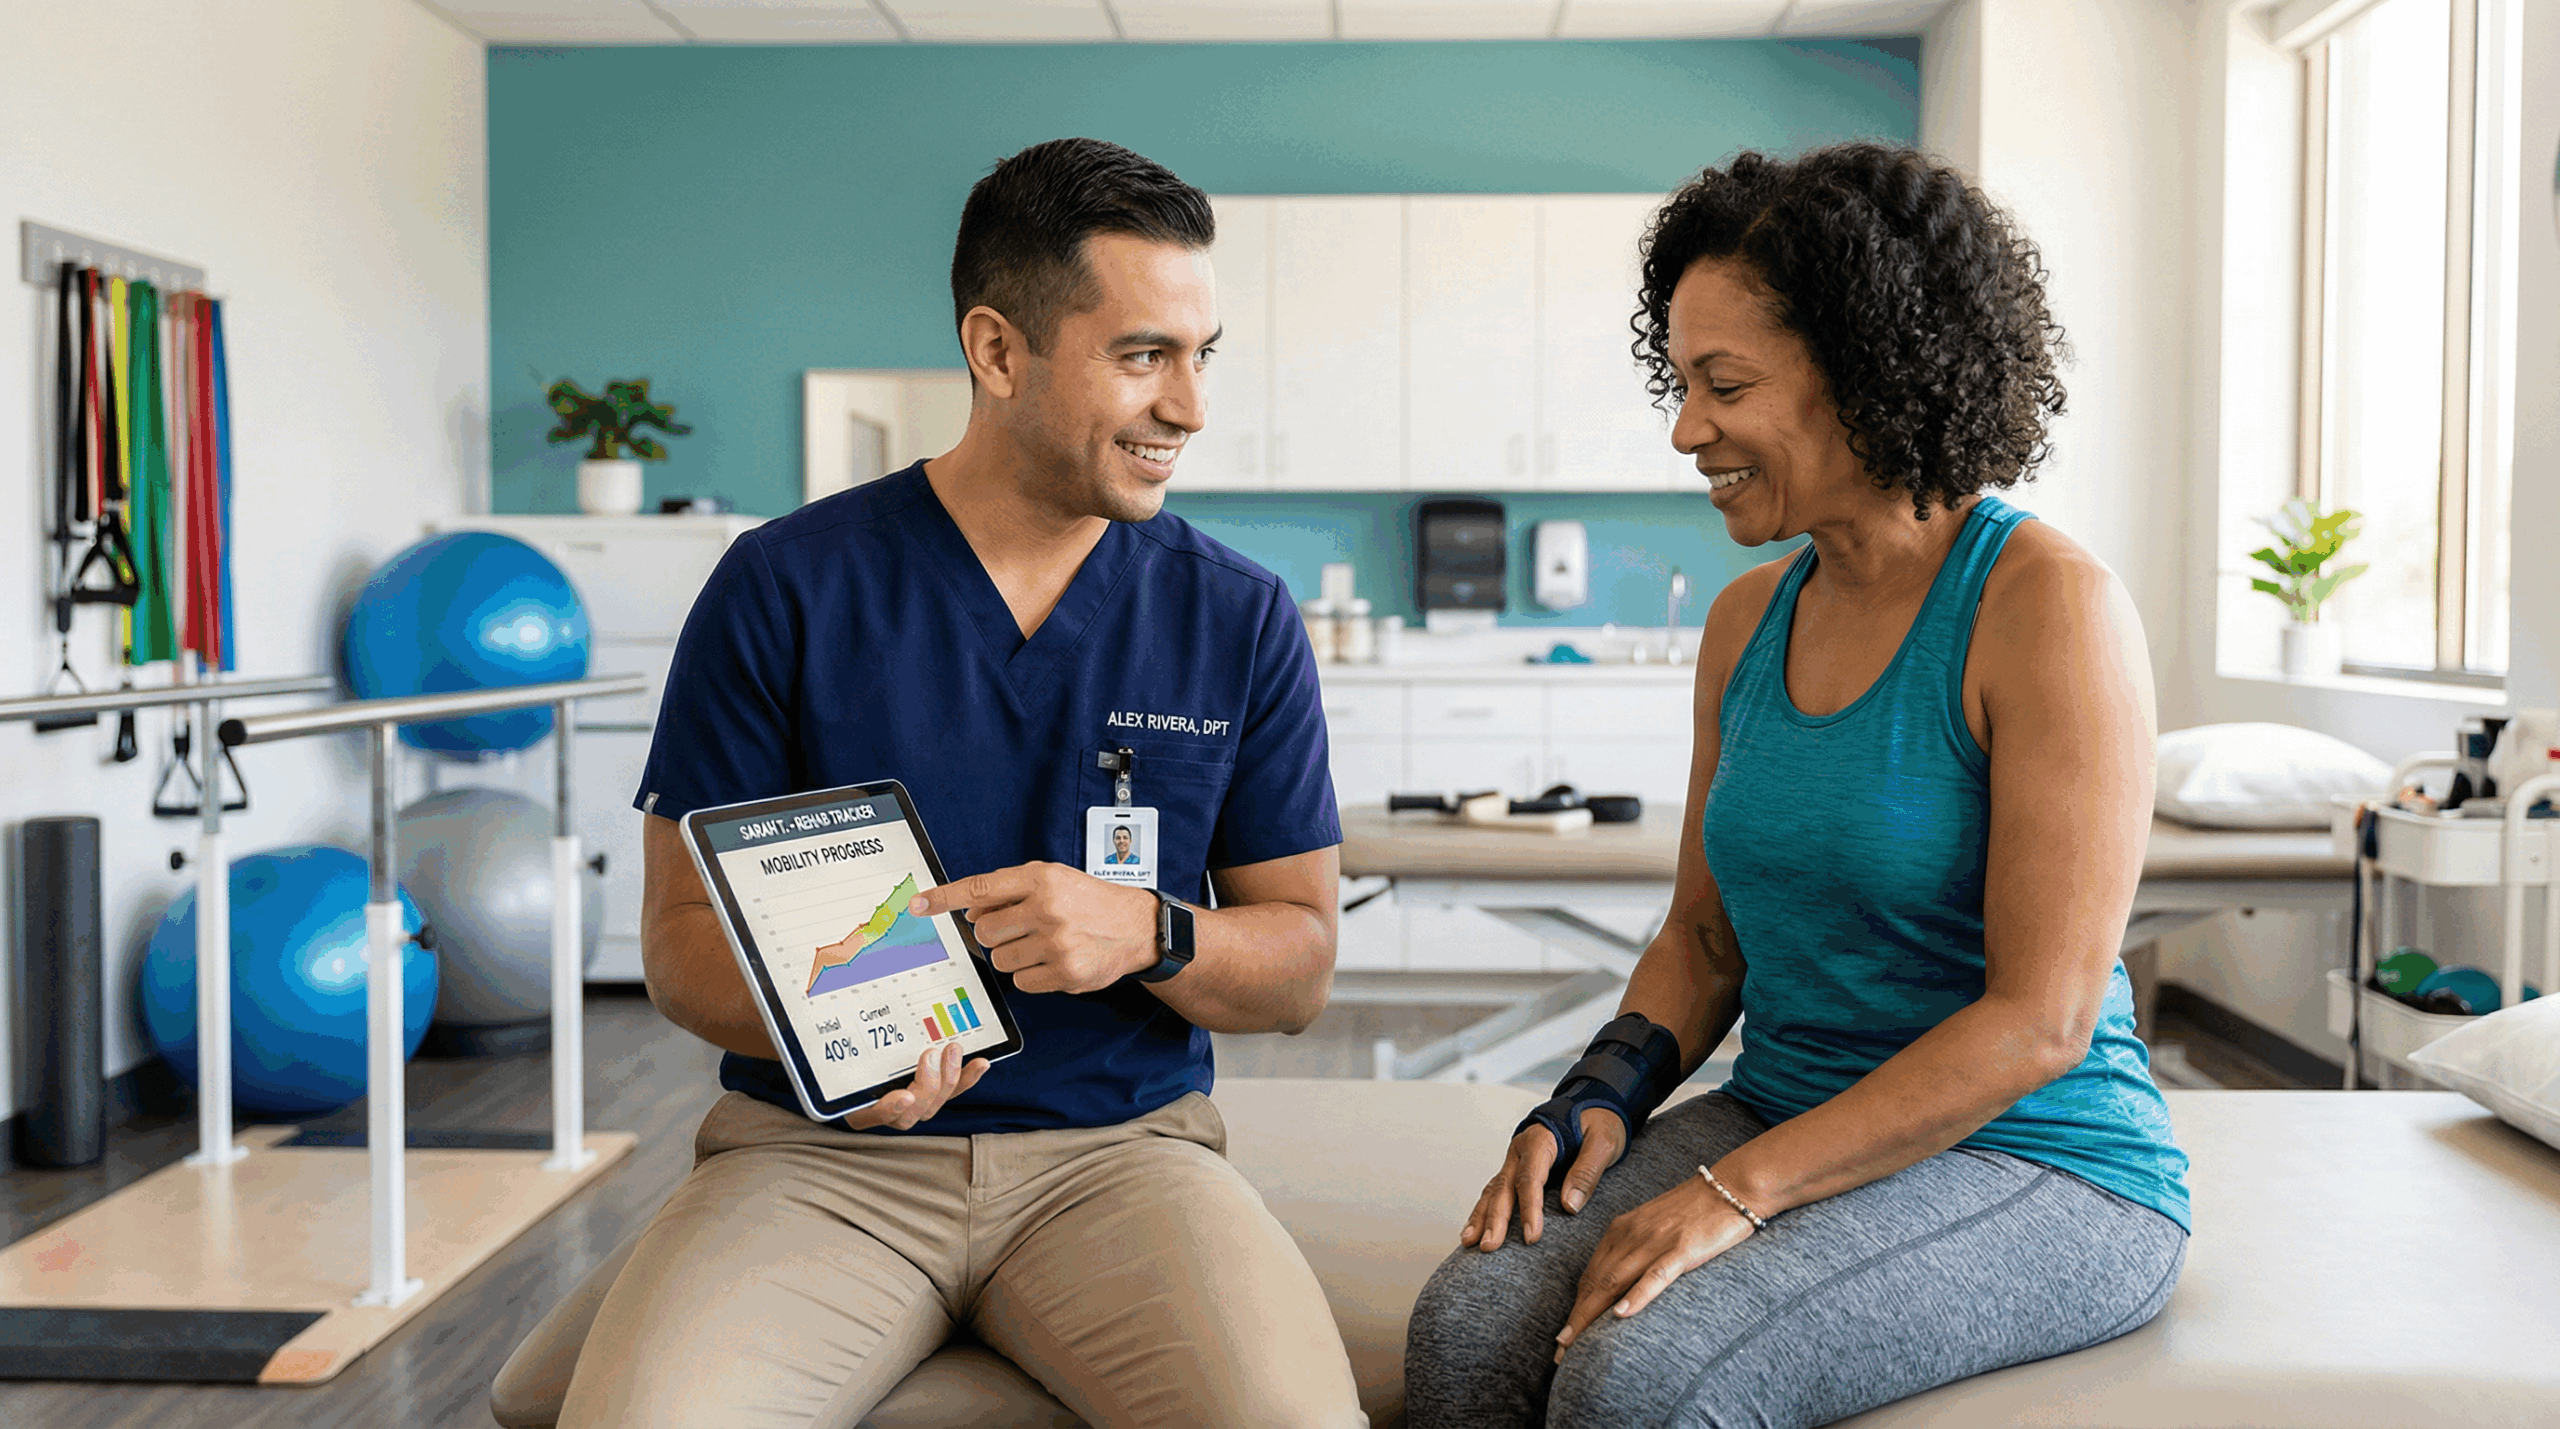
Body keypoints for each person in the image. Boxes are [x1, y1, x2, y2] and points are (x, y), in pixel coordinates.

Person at [559, 138, 1365, 1429]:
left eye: (1202, 355)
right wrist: (829, 1036)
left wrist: (1152, 933)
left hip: (1122, 1159)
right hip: (819, 1163)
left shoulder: (1238, 616)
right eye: (1143, 355)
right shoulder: (787, 585)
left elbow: (1301, 965)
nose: (1191, 407)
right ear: (998, 352)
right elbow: (677, 941)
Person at [1404, 143, 2190, 1429]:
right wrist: (1594, 1094)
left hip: (2042, 1157)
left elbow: (2038, 1022)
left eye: (1725, 384)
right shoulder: (1744, 621)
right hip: (1786, 1103)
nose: (1684, 427)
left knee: (1637, 1385)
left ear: (1867, 371)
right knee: (1466, 1331)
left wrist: (1733, 1192)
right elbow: (1704, 936)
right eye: (1681, 380)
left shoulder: (2047, 607)